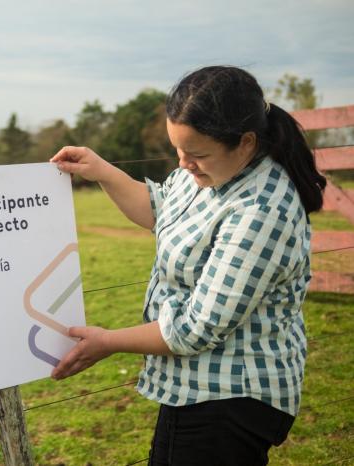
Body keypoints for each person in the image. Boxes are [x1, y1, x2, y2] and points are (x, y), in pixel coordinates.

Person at [50, 66, 326, 466]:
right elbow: (163, 212)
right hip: (194, 387)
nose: (184, 163)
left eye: (196, 154)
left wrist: (107, 342)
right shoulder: (210, 173)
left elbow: (197, 327)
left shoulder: (262, 208)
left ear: (246, 143)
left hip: (231, 394)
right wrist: (102, 171)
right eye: (178, 149)